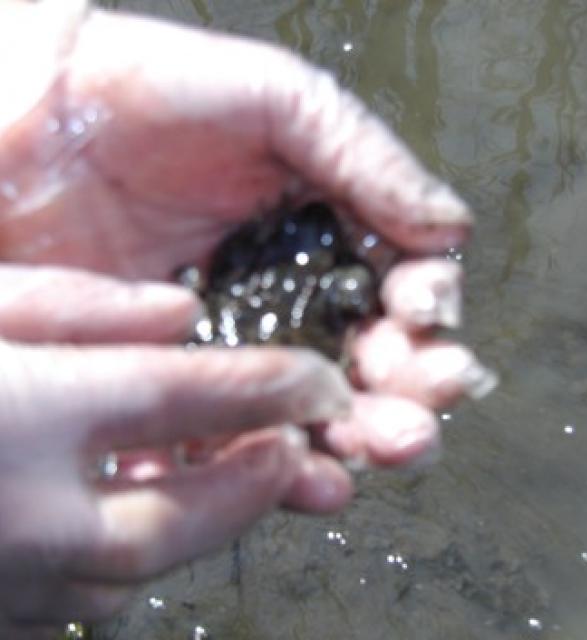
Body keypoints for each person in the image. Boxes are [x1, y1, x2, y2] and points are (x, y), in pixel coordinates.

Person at [0, 0, 494, 636]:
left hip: (237, 331)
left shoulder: (269, 262)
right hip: (247, 331)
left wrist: (27, 63)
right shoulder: (324, 270)